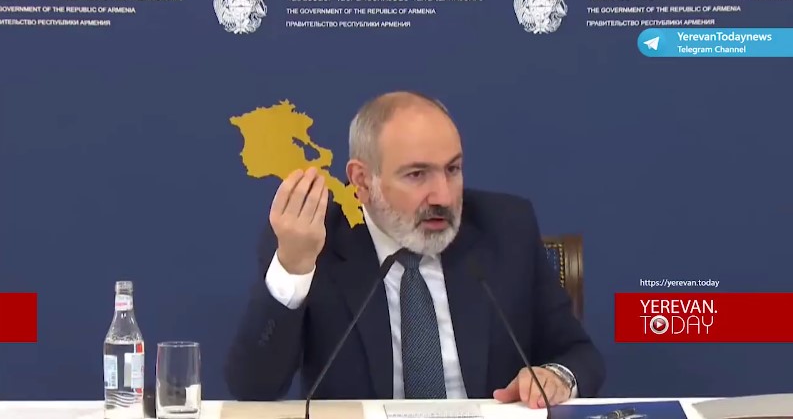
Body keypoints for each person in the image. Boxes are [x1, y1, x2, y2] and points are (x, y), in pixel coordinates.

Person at [225, 91, 605, 408]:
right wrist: (293, 267)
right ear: (362, 181)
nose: (442, 196)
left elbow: (579, 354)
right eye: (417, 175)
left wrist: (556, 376)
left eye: (452, 170)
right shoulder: (316, 239)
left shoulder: (506, 228)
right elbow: (254, 387)